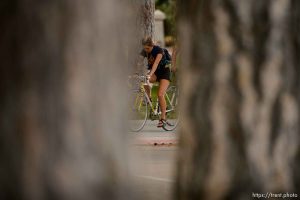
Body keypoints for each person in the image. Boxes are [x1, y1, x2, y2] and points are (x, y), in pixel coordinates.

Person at [140, 36, 171, 128]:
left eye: (148, 48)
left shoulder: (159, 51)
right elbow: (138, 62)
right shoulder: (145, 51)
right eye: (144, 48)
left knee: (160, 94)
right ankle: (148, 98)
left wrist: (150, 74)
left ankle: (163, 119)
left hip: (164, 72)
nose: (146, 50)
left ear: (152, 46)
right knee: (144, 79)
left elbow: (156, 64)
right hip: (155, 73)